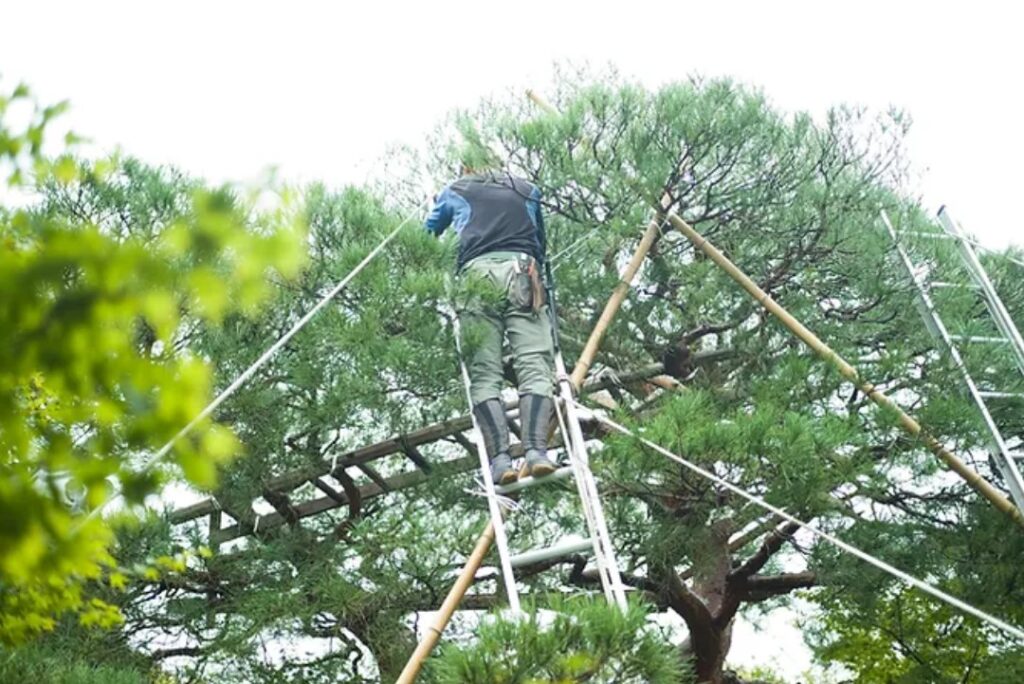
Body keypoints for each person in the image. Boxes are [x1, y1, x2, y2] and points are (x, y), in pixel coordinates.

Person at [426, 158, 558, 485]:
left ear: (465, 169)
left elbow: (426, 236)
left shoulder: (455, 190)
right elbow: (540, 245)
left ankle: (500, 462)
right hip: (523, 275)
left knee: (485, 374)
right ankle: (537, 452)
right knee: (534, 366)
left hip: (476, 278)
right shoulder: (527, 189)